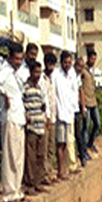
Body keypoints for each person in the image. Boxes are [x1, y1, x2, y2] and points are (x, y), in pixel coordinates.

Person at [0, 43, 26, 202]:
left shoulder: (14, 73)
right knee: (10, 157)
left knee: (18, 157)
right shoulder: (4, 71)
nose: (19, 61)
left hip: (19, 118)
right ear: (10, 57)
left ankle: (17, 190)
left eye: (21, 58)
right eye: (16, 58)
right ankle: (9, 192)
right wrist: (3, 95)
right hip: (10, 117)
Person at [22, 61, 49, 194]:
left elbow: (43, 105)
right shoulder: (25, 87)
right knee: (30, 157)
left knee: (40, 155)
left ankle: (38, 182)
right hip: (31, 126)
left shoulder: (40, 88)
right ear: (31, 72)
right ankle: (30, 184)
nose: (37, 75)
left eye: (39, 72)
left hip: (40, 125)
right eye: (35, 72)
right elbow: (22, 104)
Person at [54, 52, 80, 177]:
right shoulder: (56, 75)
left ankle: (66, 167)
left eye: (70, 63)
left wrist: (75, 110)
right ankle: (60, 170)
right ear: (61, 62)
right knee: (60, 143)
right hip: (59, 113)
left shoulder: (72, 74)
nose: (68, 65)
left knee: (68, 142)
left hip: (69, 113)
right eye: (66, 63)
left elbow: (74, 93)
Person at [41, 52, 59, 183]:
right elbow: (44, 100)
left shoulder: (53, 78)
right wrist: (46, 116)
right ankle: (45, 174)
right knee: (45, 147)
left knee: (52, 147)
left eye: (53, 64)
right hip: (45, 119)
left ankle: (51, 171)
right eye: (49, 64)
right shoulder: (42, 79)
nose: (51, 67)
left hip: (53, 117)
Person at [81, 50, 100, 152]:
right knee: (86, 126)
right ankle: (84, 148)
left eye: (94, 59)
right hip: (86, 102)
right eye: (92, 59)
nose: (93, 61)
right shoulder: (83, 71)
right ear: (88, 58)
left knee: (97, 124)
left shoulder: (92, 71)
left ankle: (90, 143)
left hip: (93, 101)